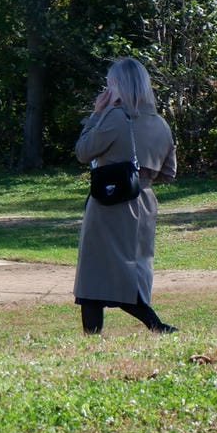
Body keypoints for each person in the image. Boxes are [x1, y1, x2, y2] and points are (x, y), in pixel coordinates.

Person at [73, 56, 179, 335]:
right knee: (133, 268)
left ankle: (147, 327)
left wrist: (96, 114)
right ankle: (156, 325)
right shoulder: (160, 124)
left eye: (109, 84)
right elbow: (169, 172)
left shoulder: (115, 117)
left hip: (110, 202)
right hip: (144, 202)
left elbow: (83, 152)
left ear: (118, 85)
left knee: (94, 274)